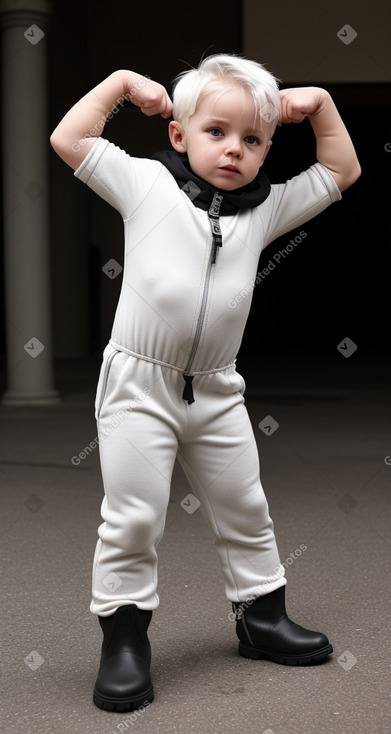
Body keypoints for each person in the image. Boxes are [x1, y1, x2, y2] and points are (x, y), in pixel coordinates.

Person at [50, 53, 361, 712]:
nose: (233, 150)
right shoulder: (142, 184)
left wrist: (321, 106)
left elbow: (340, 170)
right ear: (178, 134)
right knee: (132, 518)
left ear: (266, 148)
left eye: (252, 139)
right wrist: (118, 86)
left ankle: (261, 616)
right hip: (140, 382)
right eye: (216, 131)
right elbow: (69, 139)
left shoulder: (266, 208)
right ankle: (125, 641)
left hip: (217, 391)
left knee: (245, 507)